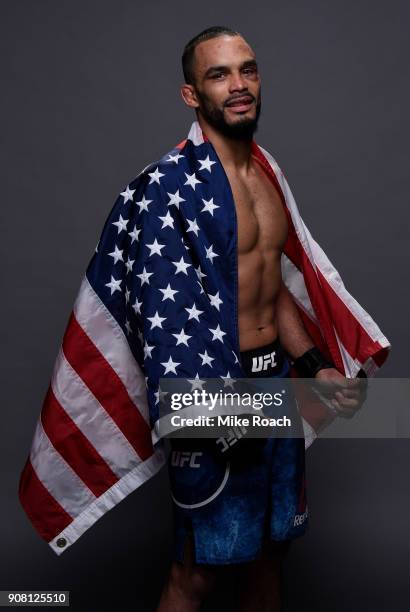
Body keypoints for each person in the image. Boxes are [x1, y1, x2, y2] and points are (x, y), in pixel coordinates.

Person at [156, 26, 364, 612]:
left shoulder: (265, 172)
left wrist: (316, 364)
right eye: (219, 75)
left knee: (271, 556)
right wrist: (211, 409)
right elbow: (158, 319)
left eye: (247, 70)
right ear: (191, 95)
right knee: (196, 572)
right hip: (217, 389)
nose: (239, 85)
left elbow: (269, 289)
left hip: (275, 387)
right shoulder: (173, 187)